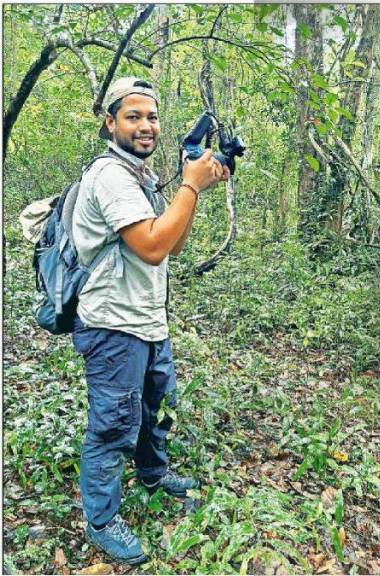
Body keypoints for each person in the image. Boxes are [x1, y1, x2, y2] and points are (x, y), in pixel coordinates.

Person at [71, 76, 229, 564]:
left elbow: (171, 241)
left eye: (152, 116)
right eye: (133, 116)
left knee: (157, 409)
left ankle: (154, 476)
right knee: (113, 424)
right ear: (110, 122)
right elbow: (154, 246)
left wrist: (191, 188)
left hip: (148, 321)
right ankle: (101, 519)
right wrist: (189, 182)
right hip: (113, 325)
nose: (145, 126)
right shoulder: (110, 176)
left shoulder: (138, 177)